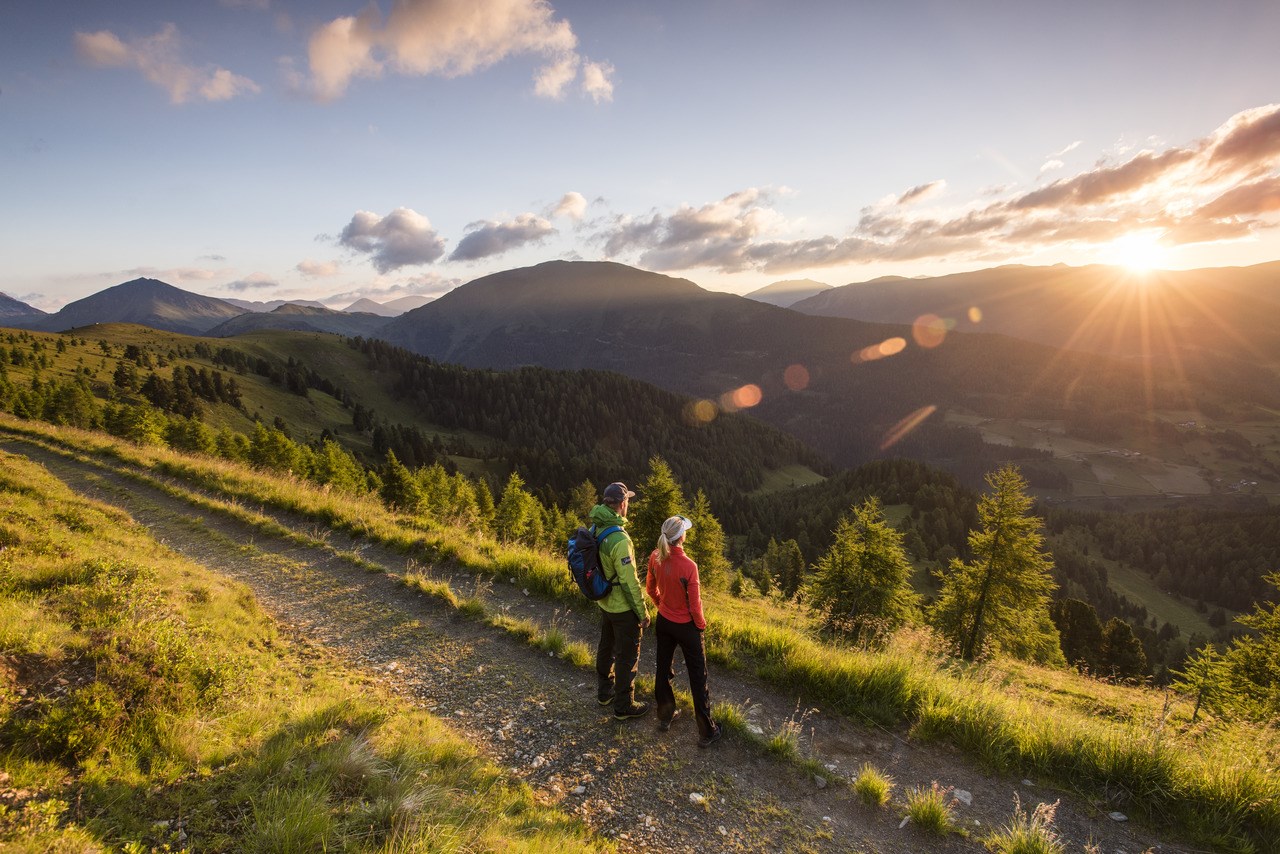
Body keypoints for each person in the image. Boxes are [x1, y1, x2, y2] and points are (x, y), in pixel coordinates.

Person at [646, 514, 722, 747]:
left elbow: (650, 589)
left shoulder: (655, 556)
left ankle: (665, 716)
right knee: (698, 677)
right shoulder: (689, 566)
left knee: (663, 668)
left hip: (665, 622)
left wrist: (662, 607)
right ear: (681, 537)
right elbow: (695, 604)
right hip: (687, 627)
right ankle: (706, 731)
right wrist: (700, 625)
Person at [591, 481, 651, 720]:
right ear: (623, 504)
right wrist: (643, 612)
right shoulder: (620, 540)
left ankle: (605, 692)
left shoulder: (597, 526)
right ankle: (624, 705)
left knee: (606, 647)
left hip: (605, 601)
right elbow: (630, 582)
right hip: (622, 608)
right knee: (627, 656)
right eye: (628, 502)